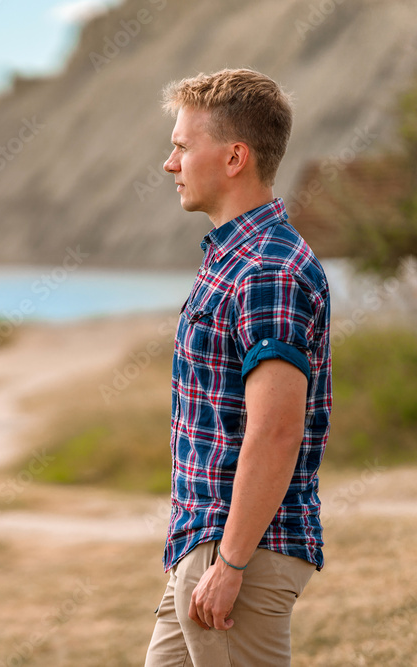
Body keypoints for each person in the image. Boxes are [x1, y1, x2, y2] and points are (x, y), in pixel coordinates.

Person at [144, 68, 333, 666]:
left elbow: (276, 430)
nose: (169, 164)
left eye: (180, 146)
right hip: (204, 548)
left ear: (233, 157)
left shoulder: (266, 271)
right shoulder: (235, 259)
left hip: (238, 554)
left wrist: (229, 564)